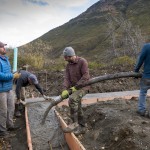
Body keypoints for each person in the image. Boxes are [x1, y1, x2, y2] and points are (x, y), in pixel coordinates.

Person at [61, 46, 90, 135]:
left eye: (67, 58)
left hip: (83, 87)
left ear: (71, 56)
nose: (66, 60)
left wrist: (76, 86)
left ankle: (74, 123)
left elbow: (85, 76)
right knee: (78, 106)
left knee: (72, 100)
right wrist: (65, 89)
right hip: (74, 88)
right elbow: (67, 78)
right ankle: (83, 127)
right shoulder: (68, 65)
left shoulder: (82, 62)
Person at [0, 41, 21, 138]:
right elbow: (1, 75)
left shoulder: (6, 59)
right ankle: (2, 131)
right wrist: (12, 75)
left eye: (4, 46)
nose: (5, 48)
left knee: (11, 107)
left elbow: (8, 72)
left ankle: (10, 125)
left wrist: (14, 73)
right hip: (1, 90)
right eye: (2, 47)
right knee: (3, 110)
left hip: (9, 88)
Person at [134, 43, 150, 117]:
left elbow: (140, 59)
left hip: (147, 76)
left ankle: (141, 110)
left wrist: (136, 71)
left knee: (143, 93)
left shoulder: (147, 46)